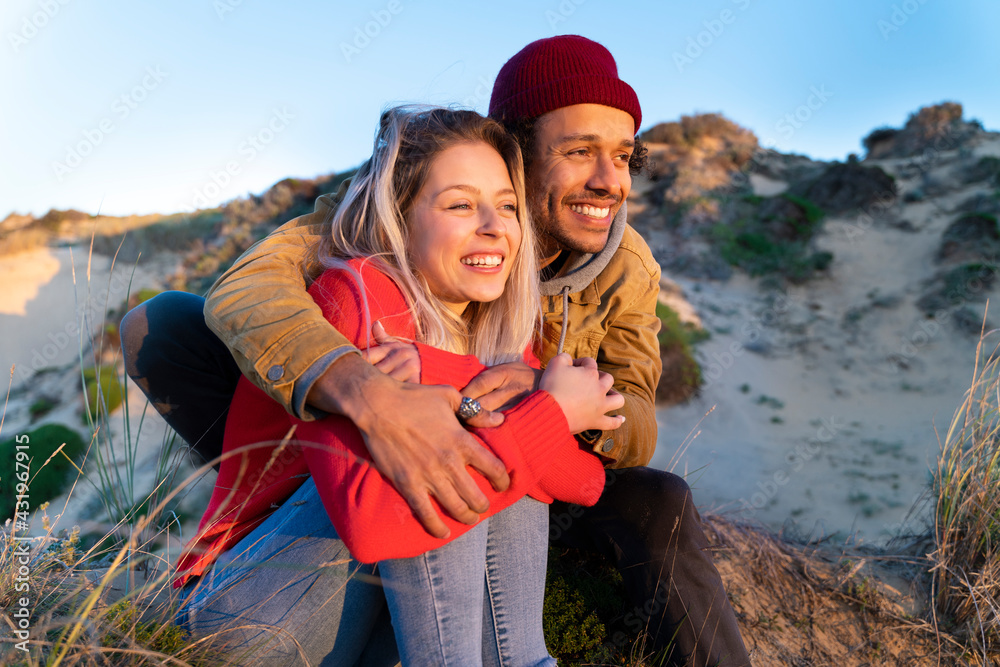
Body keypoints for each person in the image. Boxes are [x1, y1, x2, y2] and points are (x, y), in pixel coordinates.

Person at [123, 35, 751, 666]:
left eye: (623, 156)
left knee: (653, 497)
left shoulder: (624, 265)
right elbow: (248, 286)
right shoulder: (383, 240)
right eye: (579, 151)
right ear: (513, 151)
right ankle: (279, 506)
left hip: (531, 463)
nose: (608, 181)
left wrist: (529, 396)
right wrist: (370, 393)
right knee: (172, 326)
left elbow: (630, 425)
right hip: (368, 482)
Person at [172, 106, 623, 665]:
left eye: (506, 206)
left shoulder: (500, 330)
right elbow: (372, 526)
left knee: (499, 440)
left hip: (357, 620)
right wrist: (533, 414)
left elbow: (582, 481)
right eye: (460, 204)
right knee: (462, 442)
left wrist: (505, 395)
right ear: (400, 218)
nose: (494, 225)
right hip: (244, 617)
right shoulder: (357, 299)